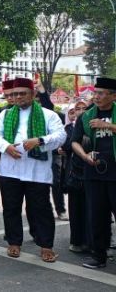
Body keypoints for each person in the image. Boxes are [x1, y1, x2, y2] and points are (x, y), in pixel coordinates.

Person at [0, 77, 66, 263]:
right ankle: (14, 242)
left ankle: (46, 245)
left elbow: (60, 136)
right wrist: (6, 147)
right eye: (15, 94)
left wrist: (39, 140)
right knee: (11, 208)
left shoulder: (49, 115)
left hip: (37, 172)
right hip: (10, 170)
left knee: (40, 209)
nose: (18, 97)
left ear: (33, 94)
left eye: (23, 93)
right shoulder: (5, 114)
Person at [70, 76, 116, 269]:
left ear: (113, 96)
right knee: (97, 215)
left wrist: (108, 126)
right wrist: (85, 156)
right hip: (94, 173)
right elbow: (74, 141)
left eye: (101, 93)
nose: (96, 96)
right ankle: (99, 255)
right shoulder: (86, 116)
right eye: (95, 93)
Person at [61, 100, 88, 254]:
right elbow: (66, 146)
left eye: (85, 108)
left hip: (93, 172)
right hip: (75, 174)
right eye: (78, 109)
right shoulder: (69, 128)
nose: (81, 111)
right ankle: (77, 241)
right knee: (76, 209)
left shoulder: (93, 125)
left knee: (93, 209)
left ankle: (94, 242)